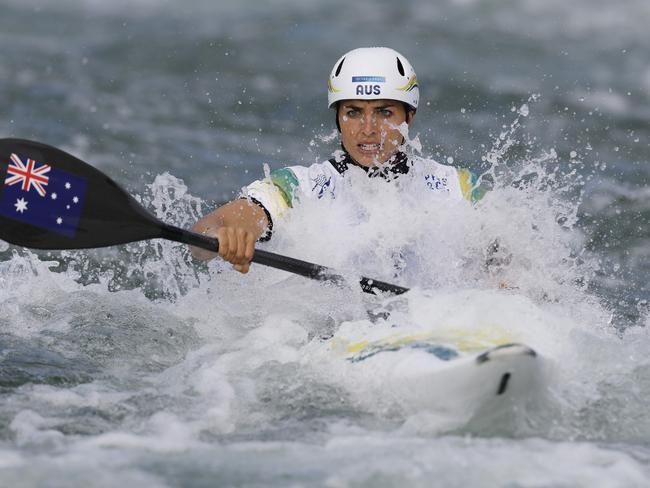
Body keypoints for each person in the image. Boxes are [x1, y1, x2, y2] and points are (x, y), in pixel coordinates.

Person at [192, 47, 481, 273]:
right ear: (338, 119)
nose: (368, 129)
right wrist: (223, 235)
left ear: (409, 118)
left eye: (384, 113)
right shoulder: (299, 187)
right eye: (353, 112)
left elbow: (507, 252)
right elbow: (207, 232)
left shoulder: (456, 187)